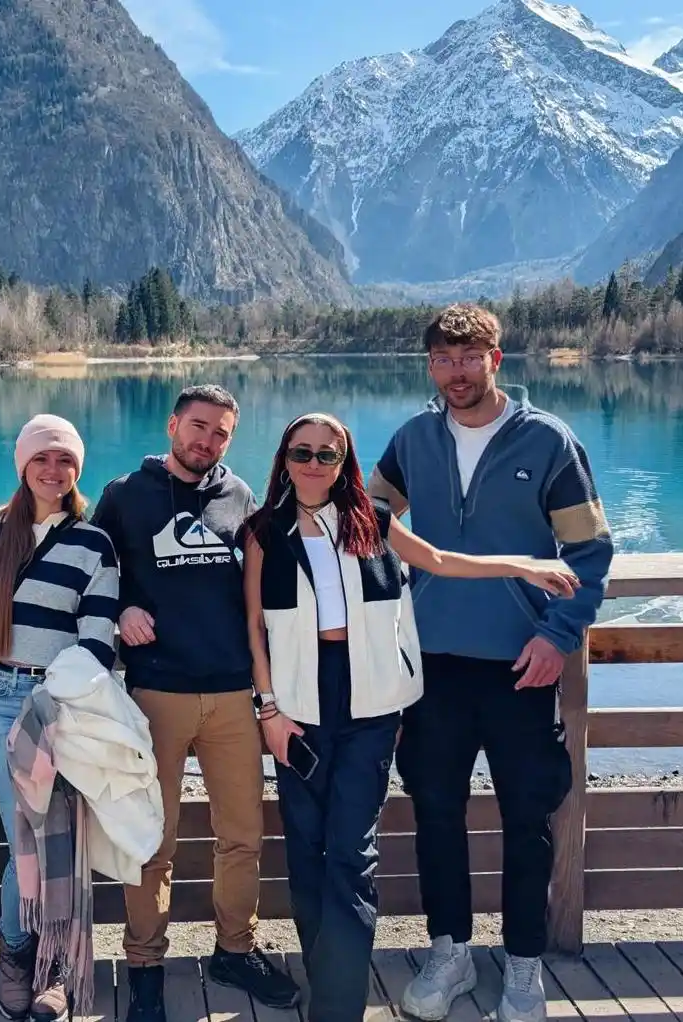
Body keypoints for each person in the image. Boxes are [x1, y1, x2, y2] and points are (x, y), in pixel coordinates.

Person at [242, 412, 578, 1022]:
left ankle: (337, 1007)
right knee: (306, 847)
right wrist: (268, 710)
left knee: (351, 851)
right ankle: (325, 977)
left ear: (345, 463)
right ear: (283, 459)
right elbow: (254, 630)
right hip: (296, 704)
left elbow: (443, 560)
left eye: (328, 454)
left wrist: (522, 566)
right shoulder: (264, 532)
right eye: (302, 452)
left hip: (370, 701)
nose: (314, 464)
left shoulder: (372, 523)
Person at [368, 305, 615, 1022]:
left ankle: (523, 966)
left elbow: (590, 555)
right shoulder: (413, 439)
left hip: (522, 664)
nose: (455, 373)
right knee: (436, 810)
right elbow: (365, 520)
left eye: (468, 358)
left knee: (528, 816)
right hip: (432, 666)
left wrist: (558, 636)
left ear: (496, 360)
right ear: (430, 365)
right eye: (442, 360)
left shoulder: (549, 442)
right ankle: (449, 954)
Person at [90, 384, 300, 1022]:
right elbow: (91, 574)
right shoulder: (125, 496)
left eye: (220, 434)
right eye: (198, 427)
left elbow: (272, 582)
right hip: (158, 695)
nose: (207, 441)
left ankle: (234, 948)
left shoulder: (240, 498)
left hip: (236, 695)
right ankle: (146, 962)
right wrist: (120, 606)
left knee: (242, 835)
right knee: (152, 838)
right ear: (173, 424)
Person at [0, 413, 121, 1022]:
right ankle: (22, 953)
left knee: (62, 840)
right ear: (22, 464)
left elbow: (97, 636)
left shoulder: (92, 542)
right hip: (5, 700)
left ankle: (51, 964)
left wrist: (68, 697)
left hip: (68, 705)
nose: (54, 471)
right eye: (42, 459)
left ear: (79, 469)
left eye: (66, 461)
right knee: (25, 836)